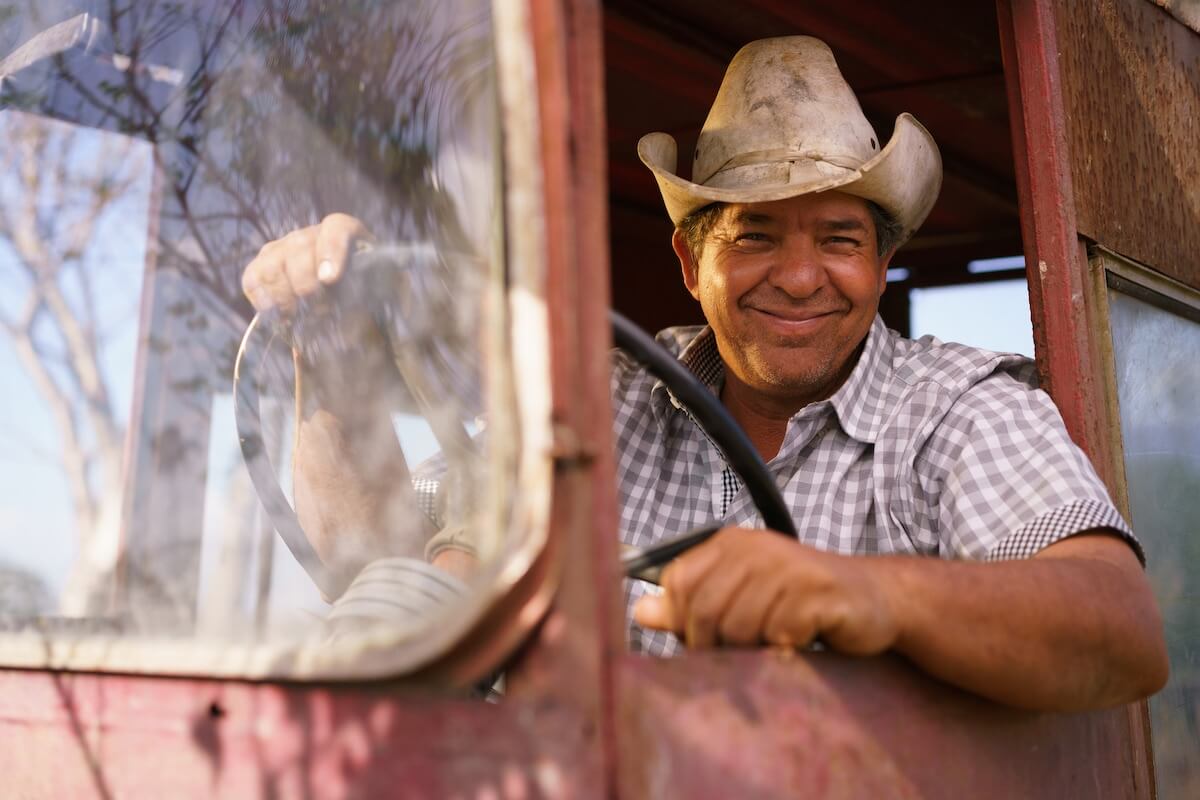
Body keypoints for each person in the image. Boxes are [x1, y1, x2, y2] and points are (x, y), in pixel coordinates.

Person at [241, 36, 1167, 711]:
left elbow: (1119, 631)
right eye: (753, 235)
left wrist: (864, 594)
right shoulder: (600, 400)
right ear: (693, 266)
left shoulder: (954, 411)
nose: (799, 276)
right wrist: (330, 363)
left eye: (839, 239)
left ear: (879, 264)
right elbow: (382, 577)